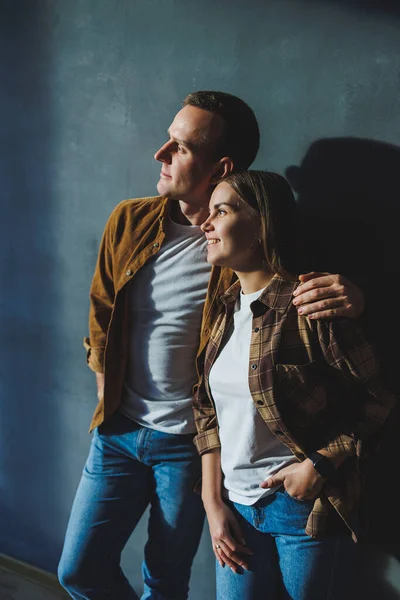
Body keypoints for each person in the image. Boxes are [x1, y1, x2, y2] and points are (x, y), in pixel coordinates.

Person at [58, 92, 364, 600]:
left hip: (190, 448)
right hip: (116, 433)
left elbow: (308, 291)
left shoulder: (244, 245)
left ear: (220, 165)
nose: (161, 153)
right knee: (78, 571)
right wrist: (108, 400)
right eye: (168, 138)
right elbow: (101, 319)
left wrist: (356, 294)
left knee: (166, 579)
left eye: (180, 147)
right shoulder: (130, 221)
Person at [195, 170, 397, 600]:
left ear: (262, 225)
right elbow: (206, 410)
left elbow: (378, 399)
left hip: (303, 510)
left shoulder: (310, 305)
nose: (204, 224)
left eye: (221, 211)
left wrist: (319, 465)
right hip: (235, 509)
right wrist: (214, 506)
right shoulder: (223, 309)